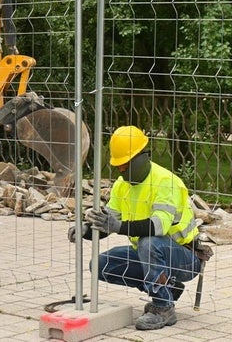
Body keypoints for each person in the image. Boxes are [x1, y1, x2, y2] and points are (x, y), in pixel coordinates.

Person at [68, 125, 212, 331]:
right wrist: (87, 230)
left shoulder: (166, 182)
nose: (122, 170)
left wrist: (118, 226)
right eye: (118, 166)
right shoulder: (121, 185)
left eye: (125, 165)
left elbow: (158, 227)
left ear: (142, 157)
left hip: (185, 259)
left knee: (149, 242)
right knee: (100, 264)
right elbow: (108, 222)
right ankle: (166, 287)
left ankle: (163, 307)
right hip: (149, 254)